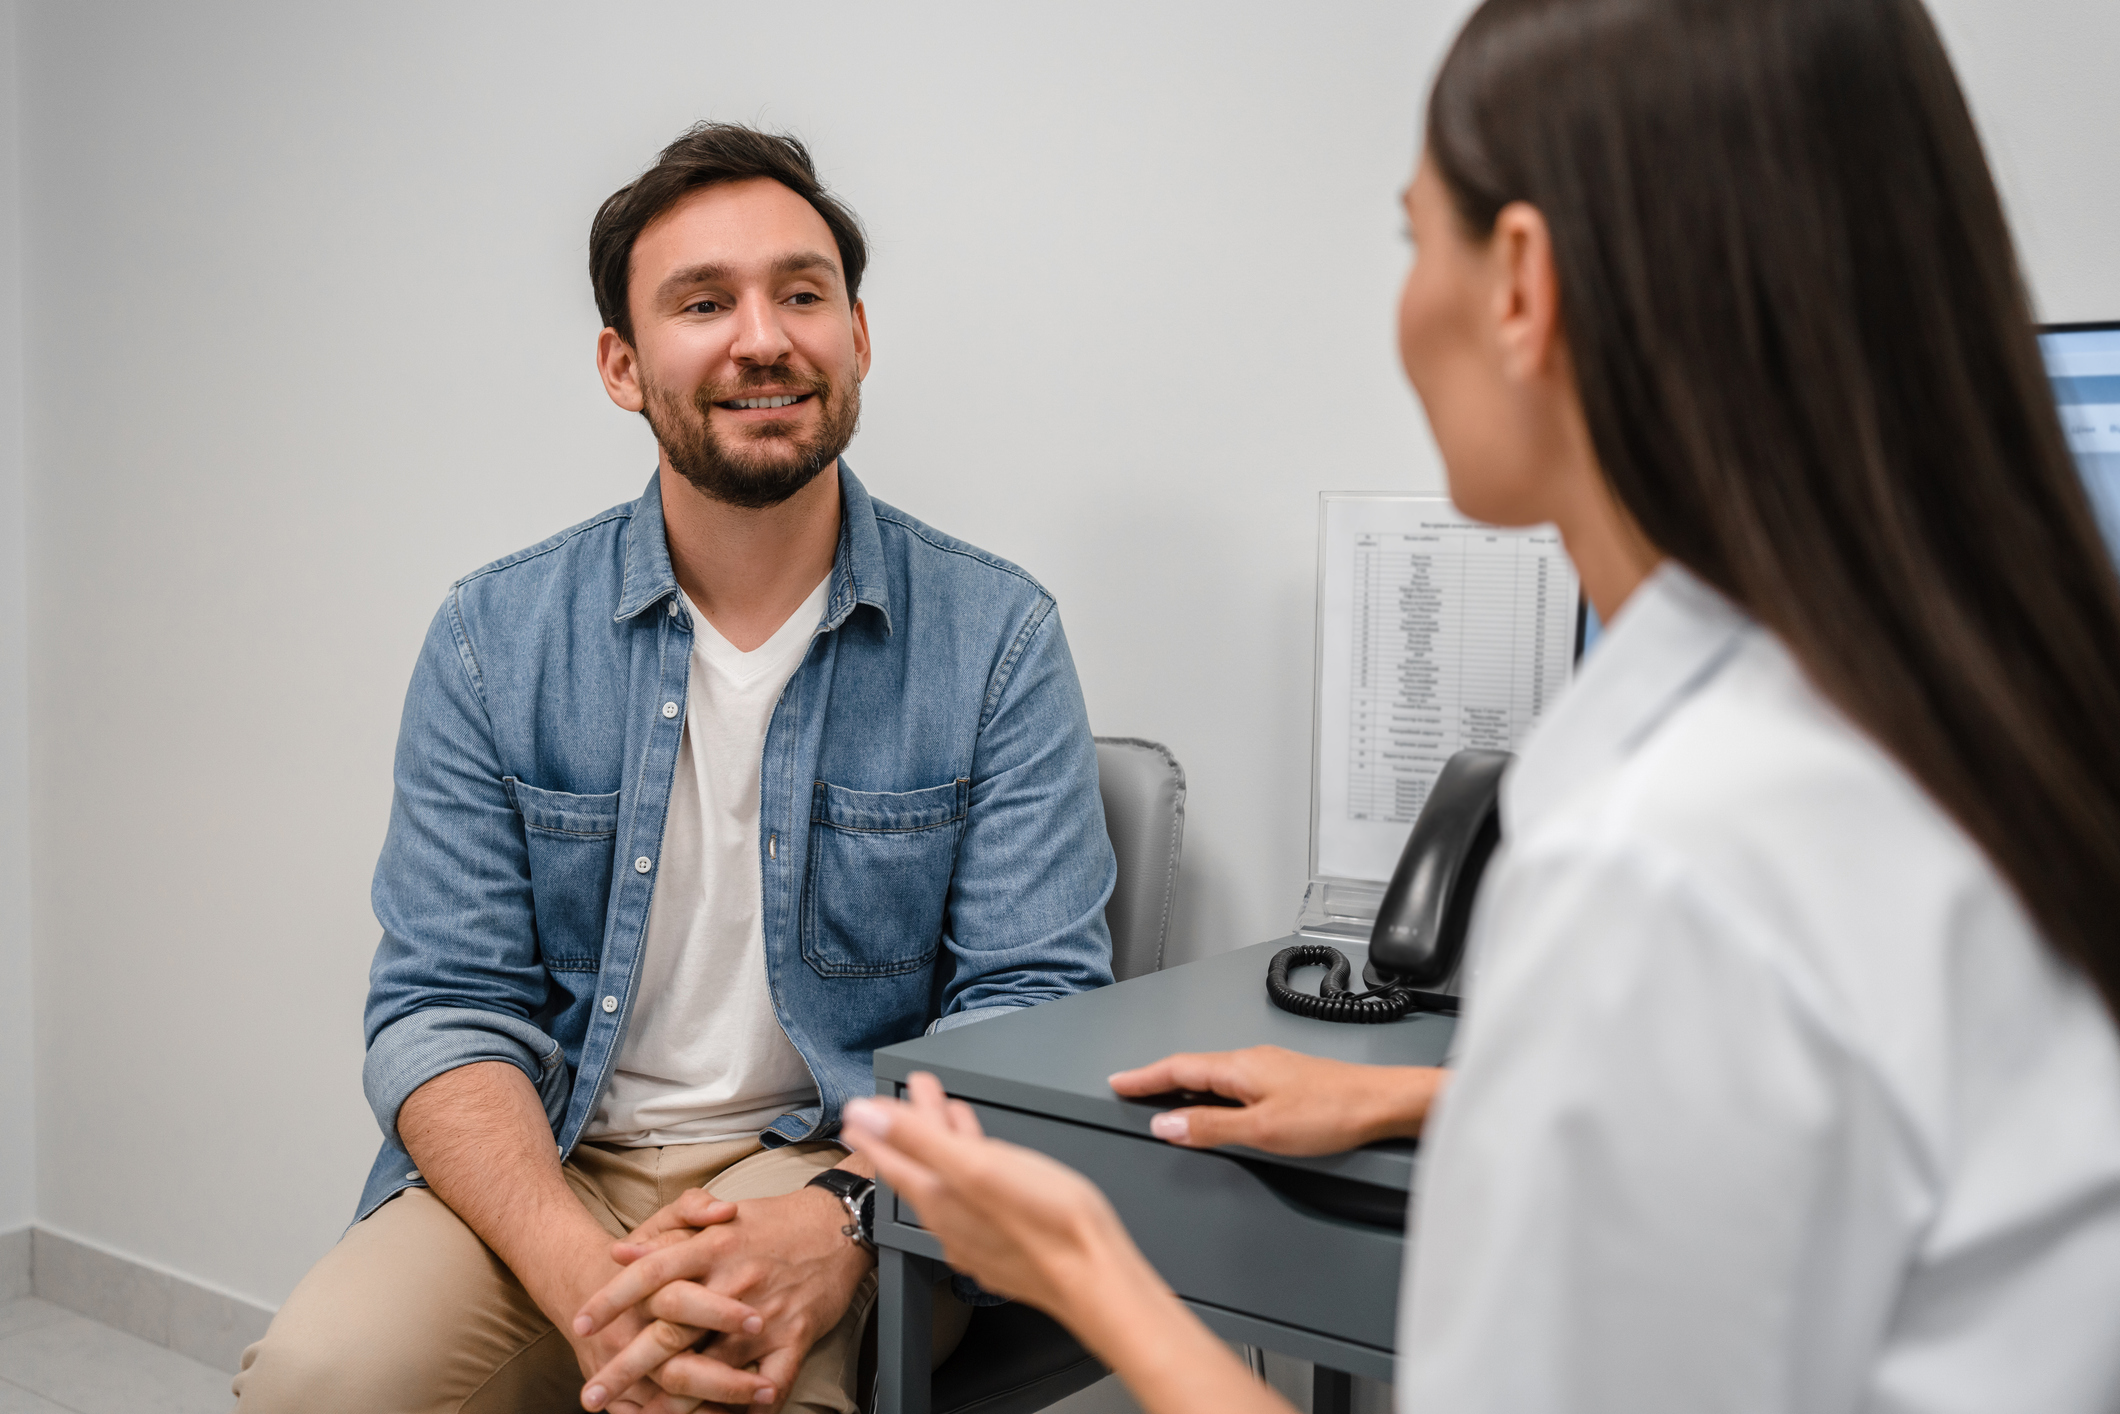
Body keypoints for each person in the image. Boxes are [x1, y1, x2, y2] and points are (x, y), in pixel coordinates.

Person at [824, 1, 2120, 1411]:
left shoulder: (1664, 853)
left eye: (1411, 236)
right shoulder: (1966, 726)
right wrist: (1435, 1090)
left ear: (1519, 280)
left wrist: (1085, 1266)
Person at [232, 123, 1117, 1414]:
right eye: (703, 303)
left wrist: (848, 1216)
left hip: (832, 1156)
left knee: (724, 1385)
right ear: (621, 363)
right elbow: (441, 1004)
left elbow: (1031, 1011)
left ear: (857, 337)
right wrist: (582, 1275)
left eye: (802, 294)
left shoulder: (997, 636)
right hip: (558, 1154)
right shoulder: (495, 635)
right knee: (321, 1381)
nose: (764, 337)